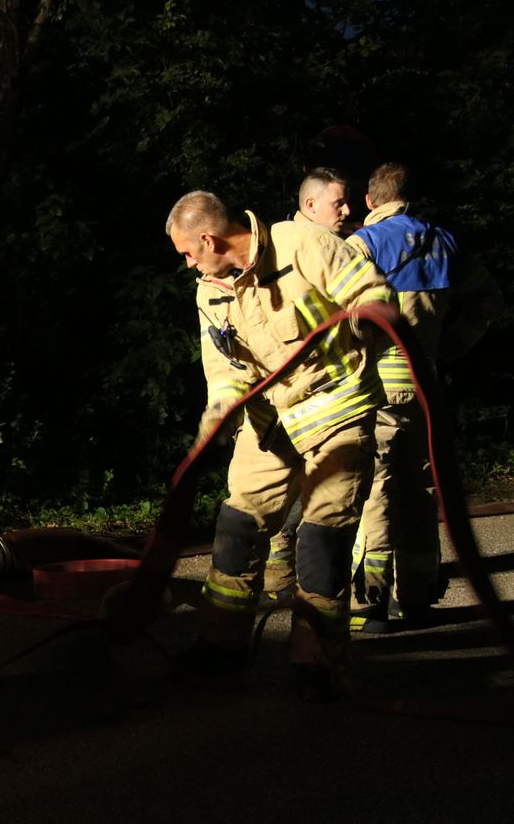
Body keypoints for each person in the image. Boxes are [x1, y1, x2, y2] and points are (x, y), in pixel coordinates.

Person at [167, 190, 395, 700]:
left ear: (209, 238)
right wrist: (219, 413)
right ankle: (221, 645)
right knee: (237, 523)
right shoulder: (210, 291)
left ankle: (317, 664)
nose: (186, 264)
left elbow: (371, 294)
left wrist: (371, 314)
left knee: (321, 539)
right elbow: (225, 368)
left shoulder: (303, 245)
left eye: (186, 252)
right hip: (269, 423)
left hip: (337, 410)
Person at [346, 163, 503, 630]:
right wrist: (450, 347)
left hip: (377, 387)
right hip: (427, 383)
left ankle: (368, 602)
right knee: (420, 488)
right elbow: (489, 301)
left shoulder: (363, 245)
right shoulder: (445, 242)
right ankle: (416, 595)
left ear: (371, 200)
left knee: (377, 488)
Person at [263, 167, 356, 601]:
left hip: (291, 399)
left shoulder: (278, 244)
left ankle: (279, 580)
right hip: (314, 395)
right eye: (339, 203)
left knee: (294, 491)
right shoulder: (313, 248)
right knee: (316, 496)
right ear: (310, 205)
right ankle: (301, 588)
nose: (347, 211)